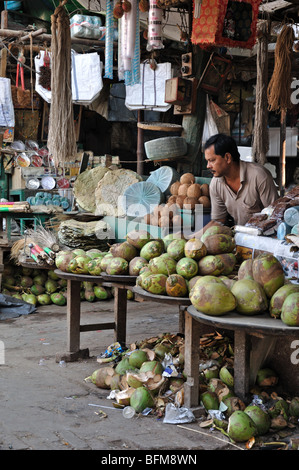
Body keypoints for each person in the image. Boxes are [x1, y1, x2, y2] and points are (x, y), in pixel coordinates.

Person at [195, 133, 279, 235]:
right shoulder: (216, 184)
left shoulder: (259, 176)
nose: (208, 166)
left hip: (266, 237)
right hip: (240, 238)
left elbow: (276, 216)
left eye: (212, 160)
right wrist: (191, 237)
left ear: (227, 158)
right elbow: (218, 221)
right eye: (207, 161)